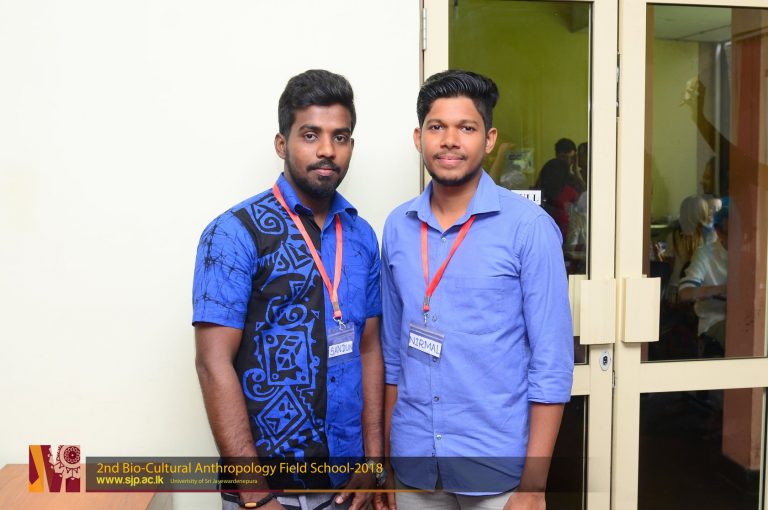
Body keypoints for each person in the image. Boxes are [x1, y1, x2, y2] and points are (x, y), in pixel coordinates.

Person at [379, 70, 574, 510]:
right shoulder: (397, 227)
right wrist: (389, 463)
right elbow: (392, 355)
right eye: (437, 127)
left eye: (466, 128)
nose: (449, 140)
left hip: (496, 468)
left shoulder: (529, 229)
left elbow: (551, 363)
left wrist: (534, 486)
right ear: (418, 138)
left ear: (489, 140)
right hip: (413, 466)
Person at [192, 69, 384, 510]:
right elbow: (212, 363)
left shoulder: (361, 237)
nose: (327, 150)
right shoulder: (234, 234)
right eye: (310, 135)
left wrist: (374, 461)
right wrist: (255, 494)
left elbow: (370, 348)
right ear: (282, 144)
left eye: (340, 137)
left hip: (346, 485)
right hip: (268, 491)